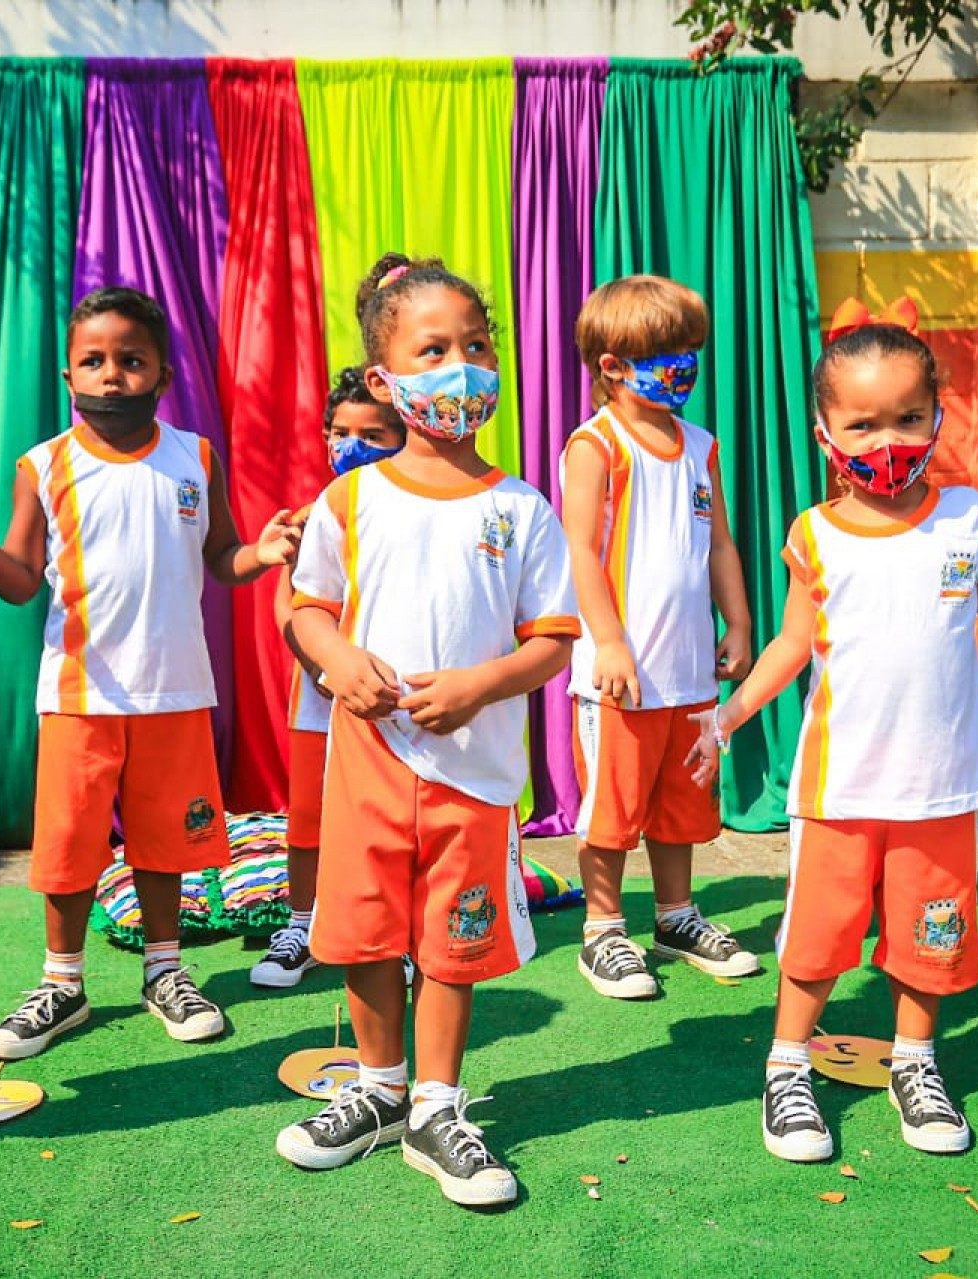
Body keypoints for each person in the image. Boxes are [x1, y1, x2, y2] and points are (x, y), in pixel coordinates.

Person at [689, 296, 978, 1164]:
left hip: (941, 785)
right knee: (820, 936)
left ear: (938, 414)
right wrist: (726, 717)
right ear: (826, 431)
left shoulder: (967, 516)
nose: (886, 440)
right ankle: (788, 1064)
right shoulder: (815, 535)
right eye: (861, 424)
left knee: (929, 935)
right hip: (842, 786)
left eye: (908, 417)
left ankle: (916, 1059)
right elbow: (793, 643)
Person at [275, 254, 578, 1208]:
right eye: (434, 349)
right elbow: (305, 607)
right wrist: (336, 659)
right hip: (367, 763)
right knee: (366, 934)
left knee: (455, 940)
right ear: (385, 379)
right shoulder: (349, 499)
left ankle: (438, 1107)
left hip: (475, 775)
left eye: (477, 346)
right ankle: (378, 1088)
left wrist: (484, 685)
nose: (463, 366)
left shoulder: (520, 506)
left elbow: (553, 642)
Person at [0, 286, 300, 1057]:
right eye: (92, 361)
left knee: (167, 842)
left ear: (162, 374)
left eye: (130, 361)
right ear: (68, 378)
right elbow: (21, 579)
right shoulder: (44, 466)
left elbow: (221, 557)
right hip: (78, 695)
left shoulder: (195, 456)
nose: (111, 376)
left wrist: (259, 555)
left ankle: (165, 971)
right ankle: (62, 983)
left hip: (174, 691)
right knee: (68, 845)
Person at [562, 274, 759, 1001]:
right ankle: (603, 929)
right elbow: (581, 550)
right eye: (665, 352)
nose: (683, 363)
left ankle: (676, 916)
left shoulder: (701, 445)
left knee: (679, 802)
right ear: (612, 366)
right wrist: (608, 641)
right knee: (612, 809)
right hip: (621, 674)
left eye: (687, 349)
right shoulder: (596, 445)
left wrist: (737, 621)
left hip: (688, 674)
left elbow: (721, 544)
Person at [253, 366, 406, 989]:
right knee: (309, 817)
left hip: (391, 696)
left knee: (388, 817)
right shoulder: (313, 514)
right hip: (317, 699)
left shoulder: (414, 509)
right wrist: (320, 665)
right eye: (339, 432)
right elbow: (288, 604)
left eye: (371, 433)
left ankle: (393, 936)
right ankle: (302, 923)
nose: (350, 445)